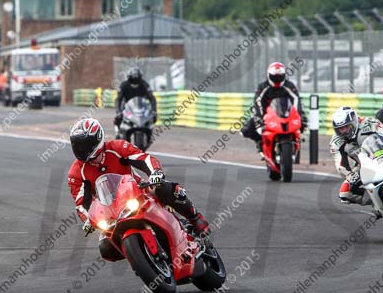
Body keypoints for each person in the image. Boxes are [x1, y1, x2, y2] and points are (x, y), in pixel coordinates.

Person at [67, 119, 210, 261]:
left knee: (163, 188)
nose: (81, 149)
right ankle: (140, 256)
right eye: (77, 145)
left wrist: (155, 173)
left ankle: (195, 218)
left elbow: (143, 158)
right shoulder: (76, 172)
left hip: (138, 192)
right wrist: (88, 220)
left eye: (84, 144)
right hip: (111, 211)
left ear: (97, 139)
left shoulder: (116, 147)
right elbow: (81, 204)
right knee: (106, 248)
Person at [241, 62, 305, 152]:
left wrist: (299, 115)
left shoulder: (289, 86)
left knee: (303, 122)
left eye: (280, 77)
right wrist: (259, 118)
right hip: (267, 115)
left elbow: (296, 100)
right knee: (246, 129)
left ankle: (295, 141)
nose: (277, 79)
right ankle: (260, 141)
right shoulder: (262, 87)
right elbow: (257, 102)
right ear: (269, 75)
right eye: (274, 77)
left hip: (286, 114)